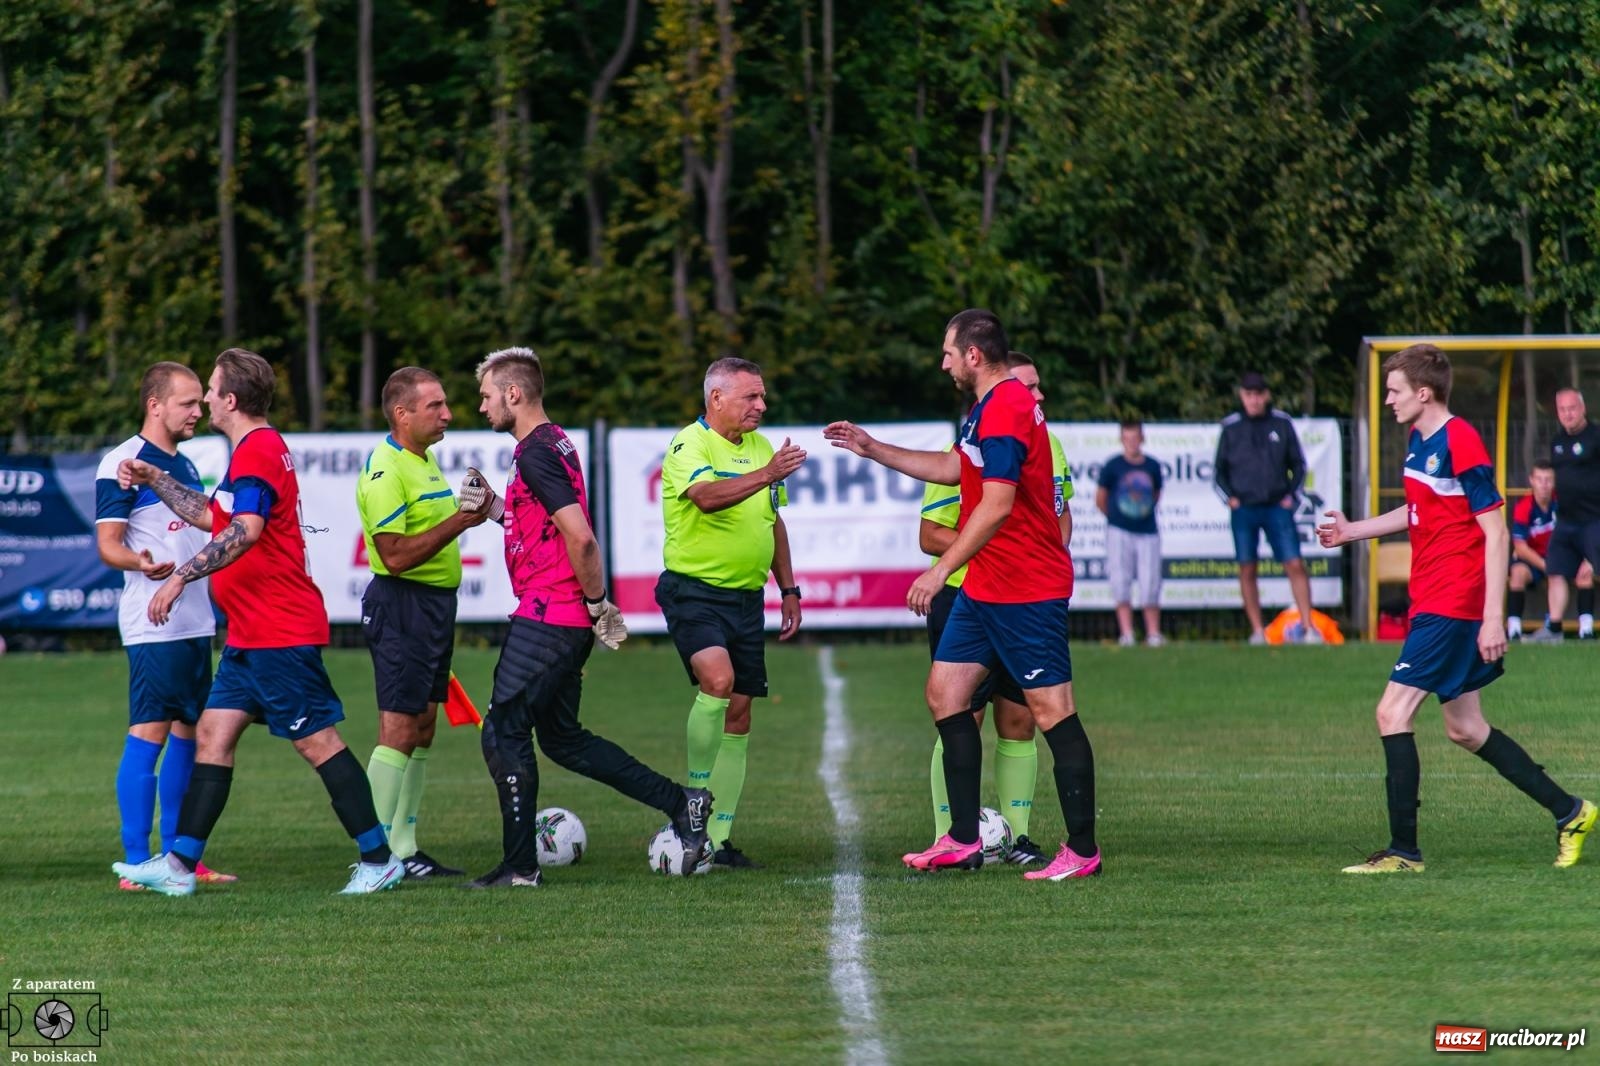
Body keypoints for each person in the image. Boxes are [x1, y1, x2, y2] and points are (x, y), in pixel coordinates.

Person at [112, 348, 403, 896]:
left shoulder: (259, 451)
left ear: (230, 400)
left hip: (279, 629)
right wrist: (154, 478)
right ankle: (178, 870)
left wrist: (179, 579)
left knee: (318, 743)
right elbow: (210, 515)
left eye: (211, 392)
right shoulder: (249, 452)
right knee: (213, 738)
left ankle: (379, 857)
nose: (204, 403)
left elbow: (244, 530)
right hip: (250, 635)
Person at [825, 308, 1101, 882]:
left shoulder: (1005, 408)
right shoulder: (986, 409)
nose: (944, 362)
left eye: (949, 352)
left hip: (1025, 586)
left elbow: (996, 506)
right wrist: (873, 448)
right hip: (986, 587)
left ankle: (1081, 850)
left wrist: (937, 570)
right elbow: (956, 469)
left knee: (1052, 713)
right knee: (946, 694)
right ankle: (962, 838)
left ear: (974, 355)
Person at [1317, 343, 1595, 873]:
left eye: (1395, 391)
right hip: (1437, 599)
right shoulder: (1420, 442)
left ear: (1424, 393)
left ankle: (1403, 853)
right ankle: (1571, 812)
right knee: (1465, 728)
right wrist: (1354, 531)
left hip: (1454, 601)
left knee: (1391, 712)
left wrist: (1494, 615)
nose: (1389, 400)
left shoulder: (1460, 440)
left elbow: (1496, 531)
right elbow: (1417, 509)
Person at [462, 346, 712, 886]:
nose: (481, 407)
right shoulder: (553, 444)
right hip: (557, 613)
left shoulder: (535, 452)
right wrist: (495, 511)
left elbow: (581, 537)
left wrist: (600, 606)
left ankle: (520, 868)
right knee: (562, 740)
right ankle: (683, 804)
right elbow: (547, 527)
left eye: (486, 396)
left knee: (503, 731)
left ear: (513, 393)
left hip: (549, 614)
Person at [917, 350, 1070, 865]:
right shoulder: (975, 431)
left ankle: (1023, 839)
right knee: (955, 703)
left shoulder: (1046, 442)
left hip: (1025, 595)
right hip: (970, 595)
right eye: (1031, 387)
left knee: (1027, 717)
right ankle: (954, 833)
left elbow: (1056, 517)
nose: (1038, 398)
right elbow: (931, 532)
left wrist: (1041, 563)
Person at [656, 357, 806, 869]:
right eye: (751, 398)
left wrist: (789, 588)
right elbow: (704, 498)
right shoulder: (688, 444)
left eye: (762, 397)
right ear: (716, 399)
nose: (761, 407)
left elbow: (773, 520)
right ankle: (693, 807)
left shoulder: (763, 447)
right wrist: (768, 472)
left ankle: (716, 841)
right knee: (717, 681)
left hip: (746, 598)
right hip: (694, 591)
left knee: (739, 714)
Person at [95, 362, 234, 890]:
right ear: (155, 405)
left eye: (200, 402)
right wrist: (140, 563)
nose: (198, 411)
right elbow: (109, 545)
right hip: (153, 622)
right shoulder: (121, 462)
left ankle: (180, 858)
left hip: (196, 621)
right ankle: (136, 862)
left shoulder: (186, 465)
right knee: (149, 732)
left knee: (189, 734)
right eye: (187, 403)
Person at [356, 367, 488, 879]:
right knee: (397, 727)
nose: (448, 414)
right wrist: (462, 517)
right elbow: (393, 556)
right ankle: (373, 855)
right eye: (435, 406)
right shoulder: (387, 470)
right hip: (401, 604)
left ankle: (405, 849)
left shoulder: (423, 459)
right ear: (402, 413)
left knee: (424, 726)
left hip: (432, 608)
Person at [1214, 371, 1318, 644]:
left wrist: (1290, 497)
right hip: (1244, 508)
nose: (1254, 400)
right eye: (1249, 395)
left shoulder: (1282, 423)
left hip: (1276, 507)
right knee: (1247, 567)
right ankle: (1257, 631)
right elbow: (1218, 472)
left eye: (1258, 394)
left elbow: (1298, 465)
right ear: (1242, 396)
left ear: (1266, 395)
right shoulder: (1230, 427)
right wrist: (1230, 499)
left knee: (1294, 563)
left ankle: (1308, 629)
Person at [1528, 388, 1600, 642]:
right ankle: (1554, 628)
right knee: (1555, 570)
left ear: (1583, 409)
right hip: (1567, 521)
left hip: (1595, 519)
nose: (1568, 414)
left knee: (1590, 571)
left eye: (1572, 408)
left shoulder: (1596, 436)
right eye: (1562, 410)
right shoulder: (1557, 442)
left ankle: (1586, 628)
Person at [1508, 460, 1593, 641]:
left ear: (1555, 482)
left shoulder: (1565, 504)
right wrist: (1546, 565)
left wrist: (1588, 558)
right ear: (1531, 480)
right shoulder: (1524, 507)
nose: (1544, 485)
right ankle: (1513, 630)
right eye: (1539, 479)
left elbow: (1584, 533)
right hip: (1536, 559)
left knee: (1584, 573)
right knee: (1517, 573)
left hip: (1563, 557)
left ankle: (1586, 630)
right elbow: (1520, 548)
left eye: (1548, 480)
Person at [1096, 420, 1164, 646]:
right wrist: (1117, 518)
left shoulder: (1152, 466)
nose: (1132, 443)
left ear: (1142, 438)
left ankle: (1153, 633)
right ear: (1122, 439)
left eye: (1136, 438)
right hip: (1119, 531)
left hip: (1147, 531)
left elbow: (1155, 494)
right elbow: (1101, 499)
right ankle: (1127, 633)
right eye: (1128, 438)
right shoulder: (1112, 466)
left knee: (1150, 582)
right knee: (1120, 580)